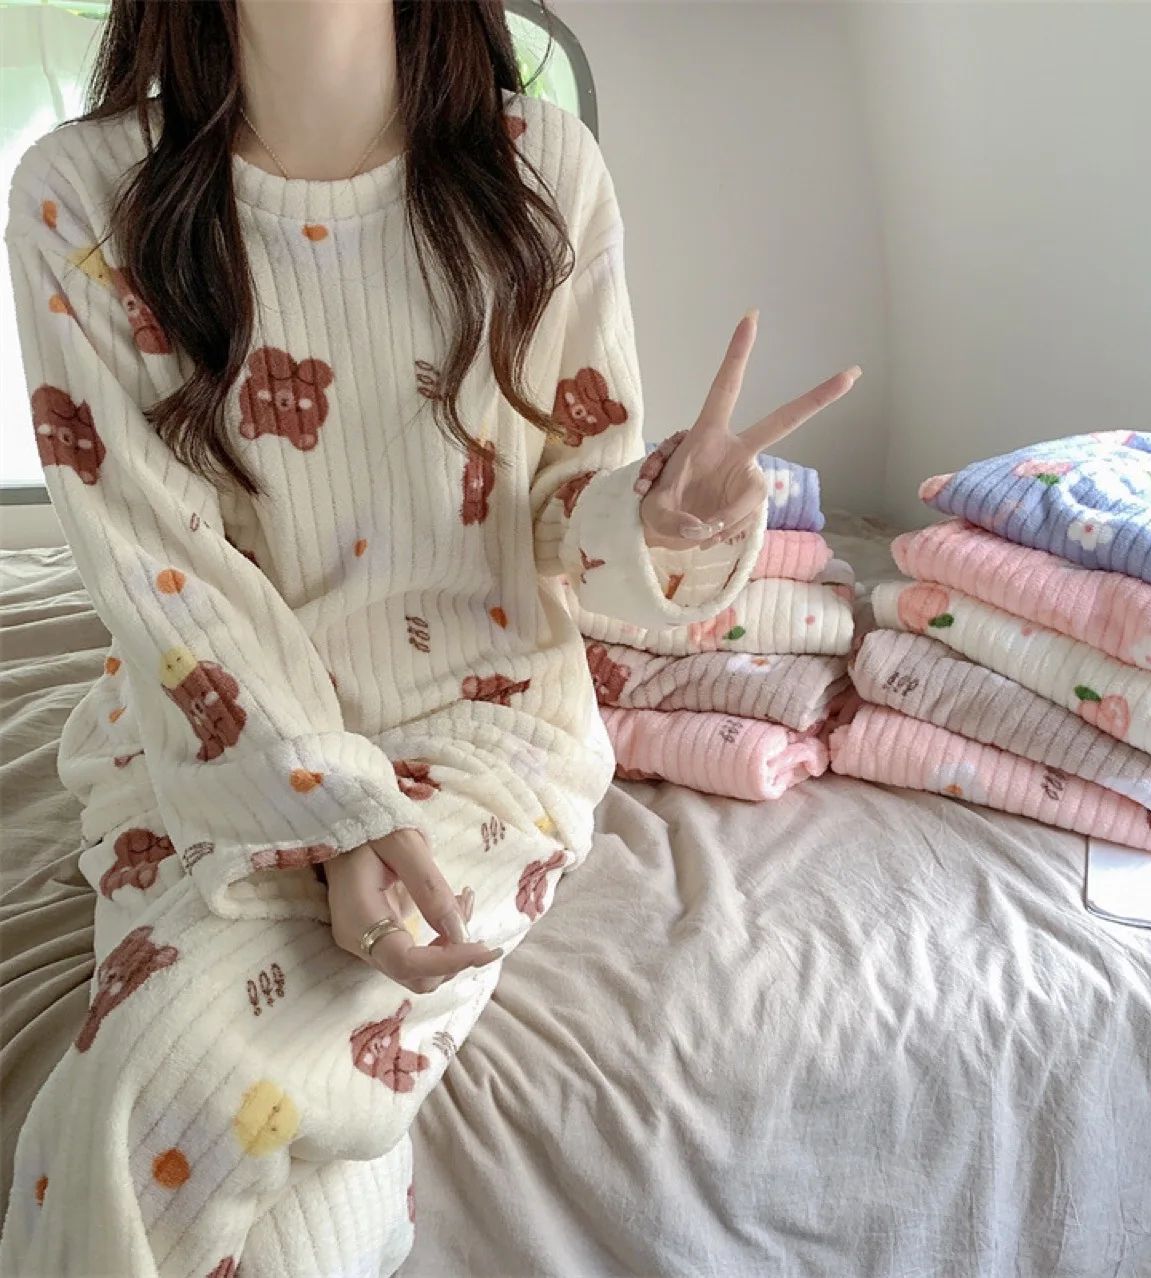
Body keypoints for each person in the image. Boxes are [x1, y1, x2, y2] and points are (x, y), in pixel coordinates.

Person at [0, 0, 858, 1272]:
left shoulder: (541, 165)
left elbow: (566, 508)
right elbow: (156, 563)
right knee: (226, 1163)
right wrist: (332, 813)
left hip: (484, 732)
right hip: (205, 738)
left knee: (149, 1087)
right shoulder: (80, 195)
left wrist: (662, 517)